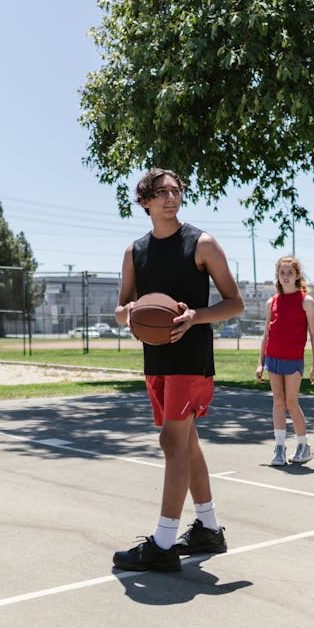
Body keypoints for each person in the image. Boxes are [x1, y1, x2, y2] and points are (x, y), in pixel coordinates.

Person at [111, 168, 245, 572]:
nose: (172, 196)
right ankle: (208, 528)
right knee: (186, 444)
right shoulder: (135, 251)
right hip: (157, 360)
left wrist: (196, 316)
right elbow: (120, 311)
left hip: (191, 359)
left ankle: (164, 543)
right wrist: (129, 314)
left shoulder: (201, 244)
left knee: (172, 443)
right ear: (146, 201)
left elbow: (235, 302)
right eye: (162, 192)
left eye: (177, 190)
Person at [255, 255, 314, 466]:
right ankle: (279, 448)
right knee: (277, 401)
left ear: (297, 275)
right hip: (273, 358)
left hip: (293, 360)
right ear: (277, 275)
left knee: (291, 402)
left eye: (289, 273)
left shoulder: (306, 301)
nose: (285, 277)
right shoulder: (271, 302)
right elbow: (266, 334)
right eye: (282, 273)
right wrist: (260, 362)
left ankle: (303, 446)